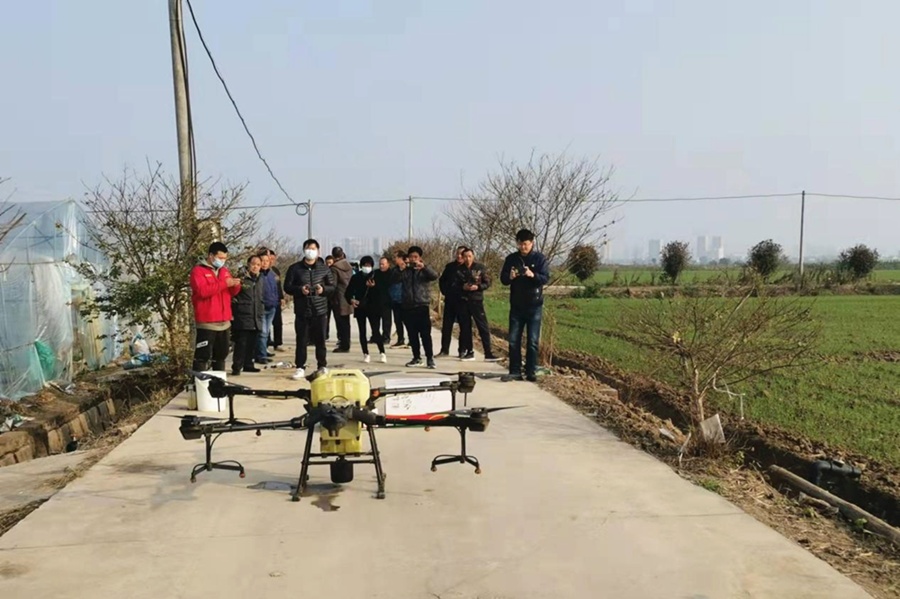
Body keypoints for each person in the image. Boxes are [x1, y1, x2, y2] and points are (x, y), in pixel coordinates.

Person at [500, 229, 550, 382]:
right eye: (520, 244)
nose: (523, 247)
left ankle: (530, 370)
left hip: (534, 305)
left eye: (526, 244)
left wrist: (532, 275)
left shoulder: (539, 259)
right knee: (513, 340)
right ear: (517, 243)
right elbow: (503, 279)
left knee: (533, 341)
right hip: (517, 305)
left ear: (532, 243)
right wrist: (510, 276)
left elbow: (545, 278)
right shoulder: (511, 259)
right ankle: (515, 371)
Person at [283, 239, 335, 380]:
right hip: (302, 310)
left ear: (318, 251)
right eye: (308, 248)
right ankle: (300, 367)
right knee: (301, 340)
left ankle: (322, 366)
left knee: (320, 340)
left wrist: (323, 289)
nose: (310, 251)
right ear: (304, 250)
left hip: (320, 310)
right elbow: (287, 287)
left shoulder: (324, 269)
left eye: (313, 249)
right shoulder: (294, 268)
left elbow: (332, 287)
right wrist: (300, 290)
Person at [190, 241, 241, 372]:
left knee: (221, 356)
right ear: (211, 256)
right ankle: (199, 381)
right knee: (203, 356)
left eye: (224, 258)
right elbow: (202, 291)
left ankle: (218, 382)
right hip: (207, 322)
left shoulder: (224, 271)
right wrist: (224, 284)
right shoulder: (198, 271)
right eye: (220, 258)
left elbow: (231, 293)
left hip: (224, 321)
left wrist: (235, 285)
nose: (222, 261)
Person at [392, 245, 439, 368]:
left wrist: (424, 267)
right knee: (412, 335)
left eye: (416, 257)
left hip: (422, 305)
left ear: (420, 258)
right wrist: (401, 268)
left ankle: (430, 358)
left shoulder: (424, 270)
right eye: (411, 257)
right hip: (408, 306)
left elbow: (434, 276)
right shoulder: (405, 271)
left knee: (425, 334)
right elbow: (394, 279)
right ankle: (416, 357)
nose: (413, 259)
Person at [456, 247, 500, 362]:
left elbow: (487, 282)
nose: (467, 259)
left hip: (476, 300)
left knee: (483, 326)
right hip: (463, 301)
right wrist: (463, 287)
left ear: (473, 256)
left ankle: (488, 353)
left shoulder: (480, 268)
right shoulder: (459, 270)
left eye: (469, 256)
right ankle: (469, 351)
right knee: (465, 328)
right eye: (465, 256)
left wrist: (478, 287)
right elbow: (454, 285)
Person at [345, 255, 387, 363]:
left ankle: (382, 352)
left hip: (374, 308)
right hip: (360, 308)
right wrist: (351, 300)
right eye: (365, 265)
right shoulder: (356, 277)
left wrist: (374, 287)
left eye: (369, 265)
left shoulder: (377, 276)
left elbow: (382, 293)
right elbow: (348, 292)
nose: (366, 267)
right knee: (362, 331)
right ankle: (366, 353)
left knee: (376, 331)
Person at [230, 255, 264, 375]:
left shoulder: (260, 279)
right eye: (253, 264)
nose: (255, 267)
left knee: (252, 343)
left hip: (256, 315)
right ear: (248, 264)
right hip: (243, 315)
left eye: (258, 265)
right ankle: (237, 366)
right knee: (241, 343)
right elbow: (233, 295)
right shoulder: (241, 278)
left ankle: (248, 364)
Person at [437, 246, 466, 357]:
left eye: (461, 254)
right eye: (457, 253)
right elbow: (442, 280)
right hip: (450, 300)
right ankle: (444, 349)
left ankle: (462, 350)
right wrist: (445, 291)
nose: (459, 256)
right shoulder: (450, 267)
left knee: (463, 327)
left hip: (463, 301)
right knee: (446, 326)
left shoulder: (468, 268)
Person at [256, 249, 280, 364]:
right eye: (263, 261)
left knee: (266, 331)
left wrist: (276, 301)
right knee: (263, 332)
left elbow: (275, 289)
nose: (265, 263)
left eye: (267, 261)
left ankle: (263, 350)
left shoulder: (271, 274)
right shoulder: (257, 275)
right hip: (262, 307)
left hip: (272, 307)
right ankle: (261, 355)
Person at [329, 247, 353, 352]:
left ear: (333, 256)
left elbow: (333, 285)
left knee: (340, 323)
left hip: (338, 298)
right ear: (342, 254)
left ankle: (344, 345)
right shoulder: (349, 266)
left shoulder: (334, 268)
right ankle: (346, 343)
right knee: (346, 322)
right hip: (348, 297)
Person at [388, 250, 409, 348]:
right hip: (395, 299)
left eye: (396, 257)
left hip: (406, 299)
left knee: (408, 321)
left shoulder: (408, 269)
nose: (394, 259)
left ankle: (412, 339)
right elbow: (392, 280)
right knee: (397, 320)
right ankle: (400, 339)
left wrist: (403, 269)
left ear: (401, 258)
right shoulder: (394, 270)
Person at [374, 256, 393, 344]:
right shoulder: (376, 273)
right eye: (380, 264)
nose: (381, 266)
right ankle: (375, 336)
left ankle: (386, 337)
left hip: (387, 300)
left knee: (386, 320)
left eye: (383, 264)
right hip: (376, 300)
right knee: (375, 320)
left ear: (388, 264)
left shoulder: (391, 274)